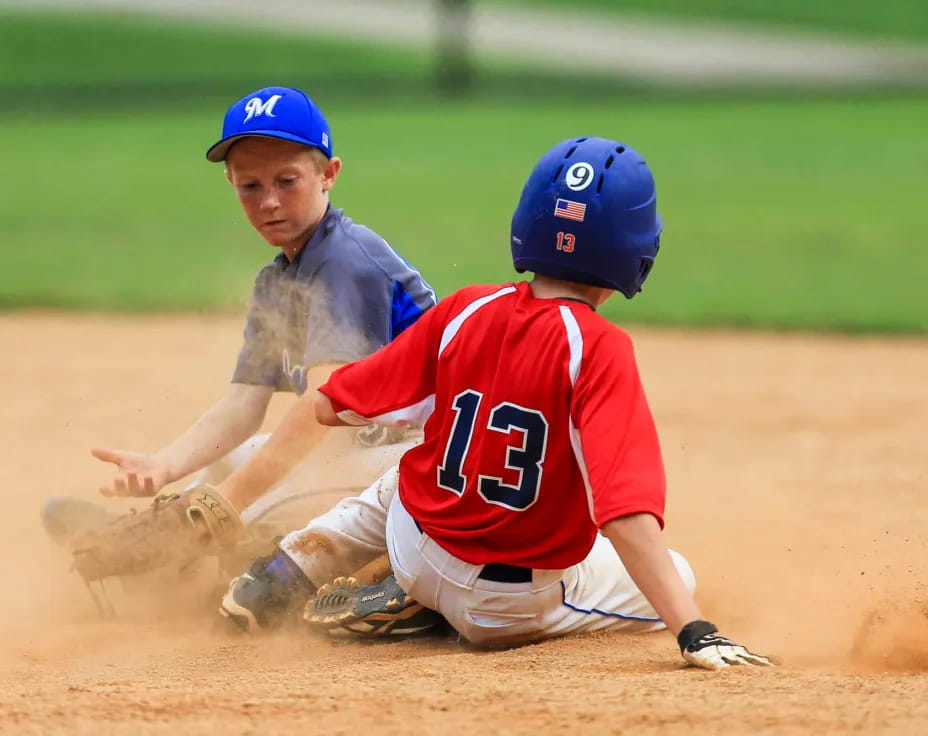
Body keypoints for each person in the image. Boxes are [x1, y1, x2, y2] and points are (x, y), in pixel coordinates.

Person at [218, 136, 773, 670]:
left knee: (402, 481)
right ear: (636, 247)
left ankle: (284, 573)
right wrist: (694, 629)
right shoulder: (600, 349)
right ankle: (433, 614)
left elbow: (330, 405)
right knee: (680, 574)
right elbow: (625, 516)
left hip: (415, 549)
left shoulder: (467, 309)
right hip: (502, 608)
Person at [51, 86, 437, 580]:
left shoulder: (345, 262)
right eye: (250, 186)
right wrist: (164, 467)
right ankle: (162, 562)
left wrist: (219, 507)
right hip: (373, 448)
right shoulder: (278, 280)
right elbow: (244, 402)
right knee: (236, 465)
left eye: (287, 181)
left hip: (434, 457)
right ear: (231, 183)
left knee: (253, 514)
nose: (270, 201)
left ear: (329, 175)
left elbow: (320, 408)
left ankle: (171, 577)